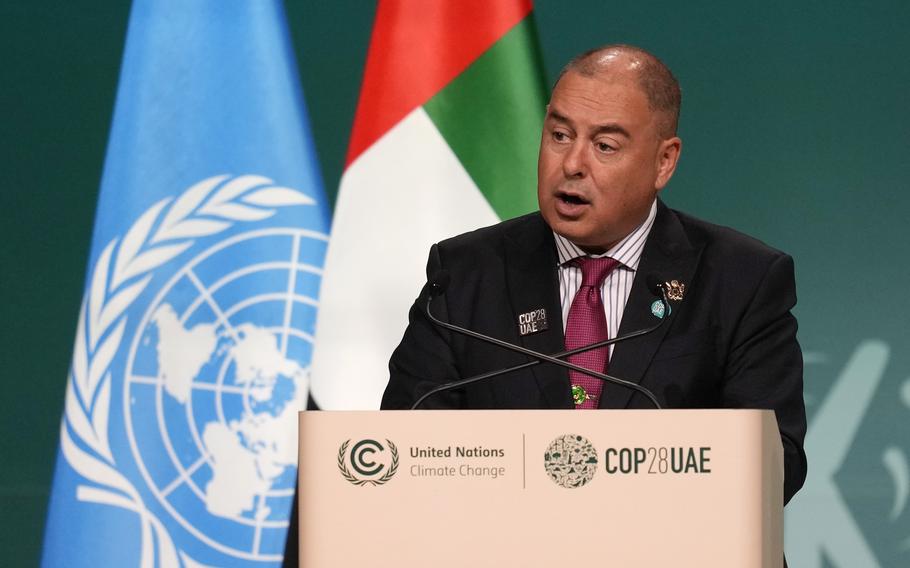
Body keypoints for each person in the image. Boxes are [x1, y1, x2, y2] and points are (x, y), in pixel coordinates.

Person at [380, 44, 807, 504]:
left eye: (604, 146)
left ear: (664, 162)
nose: (571, 165)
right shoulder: (465, 274)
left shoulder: (741, 279)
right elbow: (408, 445)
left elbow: (775, 462)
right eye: (560, 135)